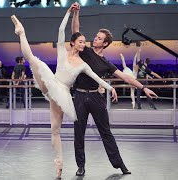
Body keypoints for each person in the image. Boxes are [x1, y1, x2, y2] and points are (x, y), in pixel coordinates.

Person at [10, 5, 118, 179]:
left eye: (85, 41)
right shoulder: (62, 51)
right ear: (73, 42)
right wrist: (68, 12)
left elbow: (97, 79)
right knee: (33, 60)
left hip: (63, 94)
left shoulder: (83, 64)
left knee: (55, 130)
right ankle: (21, 32)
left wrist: (110, 87)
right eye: (81, 41)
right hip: (53, 83)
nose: (84, 44)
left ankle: (58, 164)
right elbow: (61, 30)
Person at [71, 2, 158, 176]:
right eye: (96, 36)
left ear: (105, 44)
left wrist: (143, 87)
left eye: (99, 38)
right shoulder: (85, 51)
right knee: (78, 134)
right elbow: (75, 32)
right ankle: (81, 166)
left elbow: (125, 77)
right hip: (79, 97)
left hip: (96, 98)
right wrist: (76, 13)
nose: (95, 39)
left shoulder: (105, 64)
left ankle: (120, 165)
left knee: (106, 133)